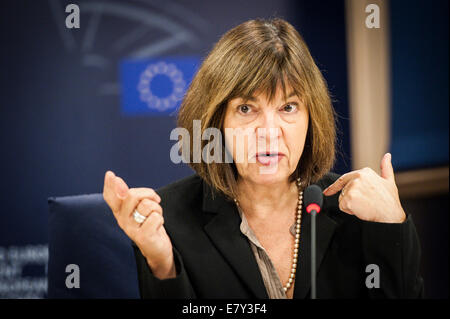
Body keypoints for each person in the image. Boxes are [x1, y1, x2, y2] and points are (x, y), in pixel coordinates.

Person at [102, 18, 423, 299]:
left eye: (288, 108)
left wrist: (393, 226)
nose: (269, 132)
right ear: (217, 122)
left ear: (312, 120)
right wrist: (162, 264)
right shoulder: (169, 220)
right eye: (246, 109)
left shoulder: (358, 214)